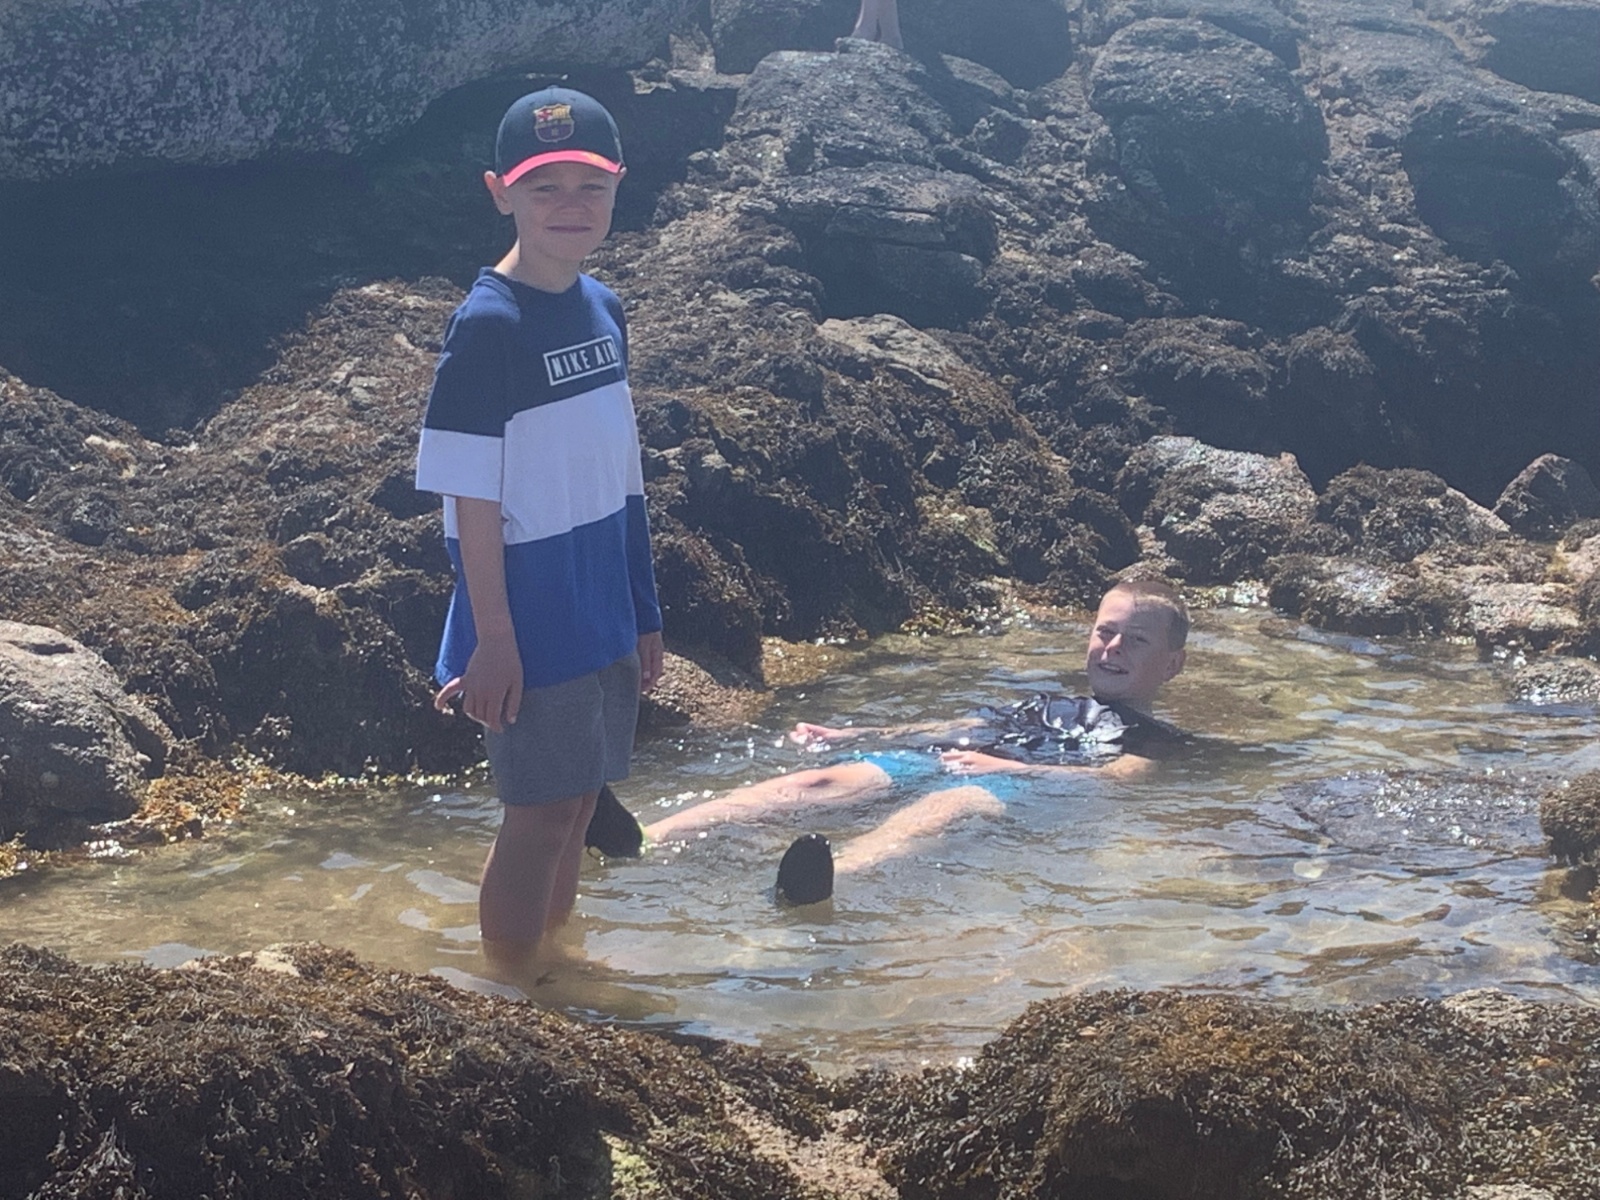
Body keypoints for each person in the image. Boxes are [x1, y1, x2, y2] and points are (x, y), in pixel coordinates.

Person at [415, 87, 664, 973]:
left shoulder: (604, 309)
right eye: (543, 186)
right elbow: (467, 497)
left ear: (618, 186)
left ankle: (554, 967)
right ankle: (512, 991)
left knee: (579, 804)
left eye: (590, 186)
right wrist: (493, 638)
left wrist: (643, 610)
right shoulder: (489, 327)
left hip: (601, 599)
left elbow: (622, 474)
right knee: (537, 814)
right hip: (527, 610)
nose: (569, 205)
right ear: (500, 193)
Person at [638, 578, 1190, 903]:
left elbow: (1116, 782)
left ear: (1171, 665)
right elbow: (952, 727)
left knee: (950, 806)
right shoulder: (1045, 702)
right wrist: (853, 734)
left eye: (1136, 641)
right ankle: (647, 836)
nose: (1113, 648)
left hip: (1007, 783)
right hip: (953, 758)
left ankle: (821, 882)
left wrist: (1009, 772)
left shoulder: (1155, 737)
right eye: (1105, 632)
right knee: (821, 781)